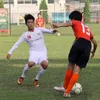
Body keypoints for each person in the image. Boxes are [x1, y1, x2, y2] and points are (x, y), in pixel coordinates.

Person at [52, 11, 97, 98]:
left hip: (79, 42)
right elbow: (95, 43)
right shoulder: (87, 28)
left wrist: (58, 25)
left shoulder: (75, 21)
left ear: (73, 18)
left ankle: (65, 88)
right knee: (77, 69)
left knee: (70, 65)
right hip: (88, 46)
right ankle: (67, 92)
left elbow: (69, 23)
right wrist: (93, 52)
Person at [6, 14, 57, 87]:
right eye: (28, 22)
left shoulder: (39, 29)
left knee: (45, 65)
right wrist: (10, 52)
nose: (30, 24)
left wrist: (53, 30)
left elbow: (49, 31)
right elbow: (17, 44)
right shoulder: (25, 35)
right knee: (30, 64)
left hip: (42, 52)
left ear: (34, 23)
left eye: (31, 22)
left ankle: (36, 79)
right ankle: (22, 76)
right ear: (26, 24)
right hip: (33, 52)